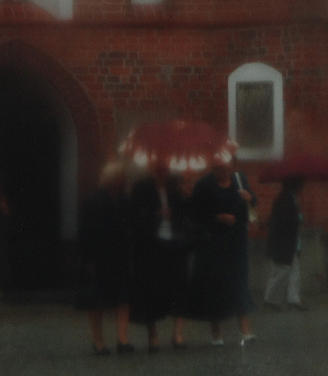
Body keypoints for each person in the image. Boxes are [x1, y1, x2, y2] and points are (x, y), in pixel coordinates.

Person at [188, 152, 257, 347]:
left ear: (231, 167)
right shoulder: (203, 185)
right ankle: (216, 333)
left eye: (226, 168)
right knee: (214, 287)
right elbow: (195, 214)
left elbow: (253, 203)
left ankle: (246, 331)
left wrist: (249, 198)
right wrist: (218, 218)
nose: (223, 172)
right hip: (213, 244)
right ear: (213, 169)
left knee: (239, 284)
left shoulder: (239, 180)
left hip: (236, 242)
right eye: (218, 169)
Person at [129, 160, 194, 351]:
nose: (163, 173)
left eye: (165, 170)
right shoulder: (141, 188)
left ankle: (178, 334)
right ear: (152, 170)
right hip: (152, 245)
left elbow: (187, 213)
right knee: (151, 291)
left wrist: (186, 198)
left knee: (180, 288)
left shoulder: (175, 188)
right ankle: (153, 336)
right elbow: (134, 216)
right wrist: (155, 215)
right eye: (159, 170)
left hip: (175, 244)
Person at [77, 161, 134, 355]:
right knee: (97, 300)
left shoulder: (125, 200)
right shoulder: (93, 200)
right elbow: (85, 231)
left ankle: (121, 339)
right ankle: (100, 341)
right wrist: (87, 258)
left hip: (119, 254)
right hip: (100, 255)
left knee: (122, 298)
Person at [263, 176, 307, 310]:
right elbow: (286, 221)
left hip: (288, 242)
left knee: (293, 270)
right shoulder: (286, 200)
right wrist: (298, 219)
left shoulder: (287, 199)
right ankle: (271, 299)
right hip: (284, 242)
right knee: (283, 270)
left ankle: (293, 298)